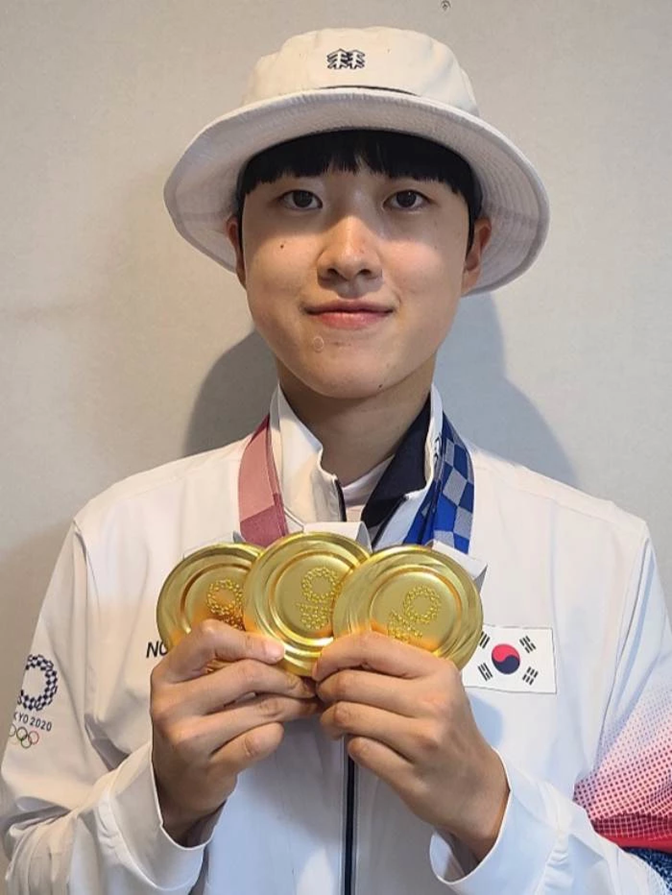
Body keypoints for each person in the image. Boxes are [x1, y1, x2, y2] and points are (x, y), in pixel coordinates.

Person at [1, 25, 671, 895]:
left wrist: (491, 812)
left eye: (405, 199)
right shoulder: (117, 542)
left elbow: (655, 866)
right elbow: (22, 866)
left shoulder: (603, 561)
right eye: (300, 199)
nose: (348, 255)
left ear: (472, 248)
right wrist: (158, 804)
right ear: (239, 246)